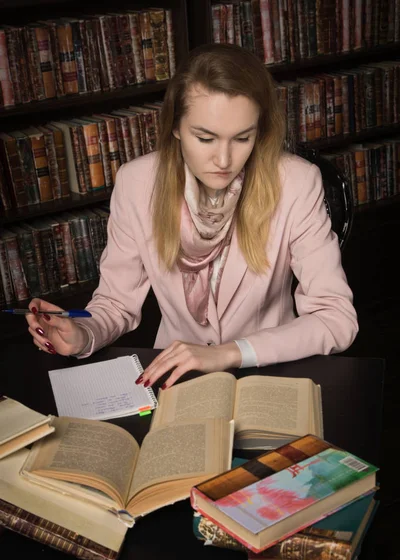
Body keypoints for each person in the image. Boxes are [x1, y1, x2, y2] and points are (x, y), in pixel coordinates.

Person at [26, 43, 358, 390]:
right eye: (205, 138)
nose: (224, 160)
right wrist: (82, 335)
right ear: (176, 127)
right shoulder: (136, 183)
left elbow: (336, 319)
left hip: (270, 374)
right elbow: (116, 303)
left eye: (242, 138)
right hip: (176, 383)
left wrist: (231, 353)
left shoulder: (297, 181)